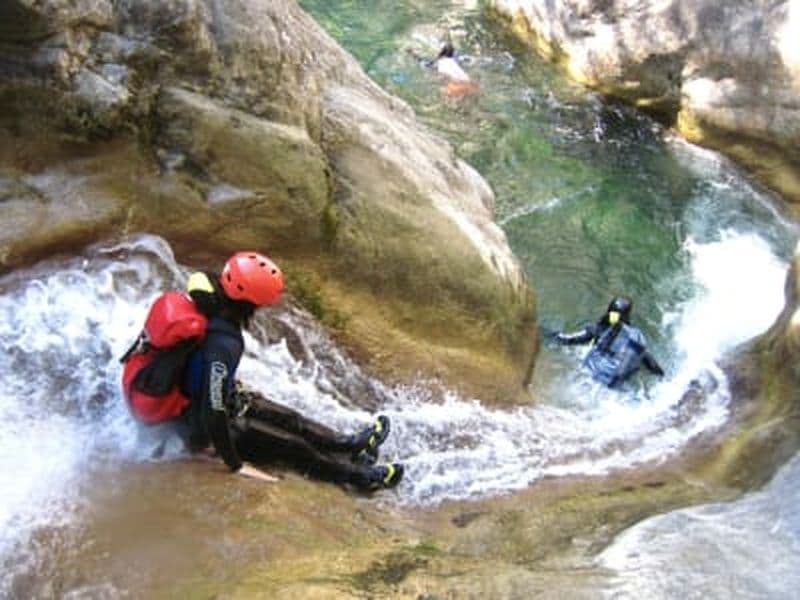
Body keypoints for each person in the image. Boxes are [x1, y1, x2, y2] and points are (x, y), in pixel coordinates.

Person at [124, 251, 404, 492]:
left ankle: (350, 445)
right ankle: (360, 478)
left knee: (290, 419)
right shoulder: (224, 343)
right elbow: (213, 409)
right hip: (196, 426)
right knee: (293, 447)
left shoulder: (209, 294)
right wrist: (234, 464)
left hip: (199, 400)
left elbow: (212, 386)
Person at [547, 296, 665, 388]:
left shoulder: (597, 329)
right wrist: (663, 378)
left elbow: (567, 339)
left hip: (587, 376)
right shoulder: (634, 339)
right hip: (611, 387)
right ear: (627, 315)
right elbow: (653, 366)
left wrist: (545, 333)